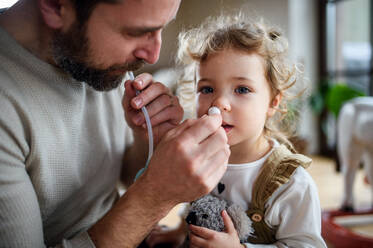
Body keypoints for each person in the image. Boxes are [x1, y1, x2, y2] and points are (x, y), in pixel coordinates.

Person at [0, 0, 231, 247]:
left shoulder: (91, 61)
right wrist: (154, 197)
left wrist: (148, 141)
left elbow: (123, 175)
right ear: (56, 6)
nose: (152, 56)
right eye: (136, 32)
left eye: (161, 28)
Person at [146, 13, 327, 247]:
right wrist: (181, 231)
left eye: (242, 89)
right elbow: (197, 207)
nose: (219, 103)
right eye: (207, 88)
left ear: (273, 102)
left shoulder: (291, 183)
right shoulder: (199, 159)